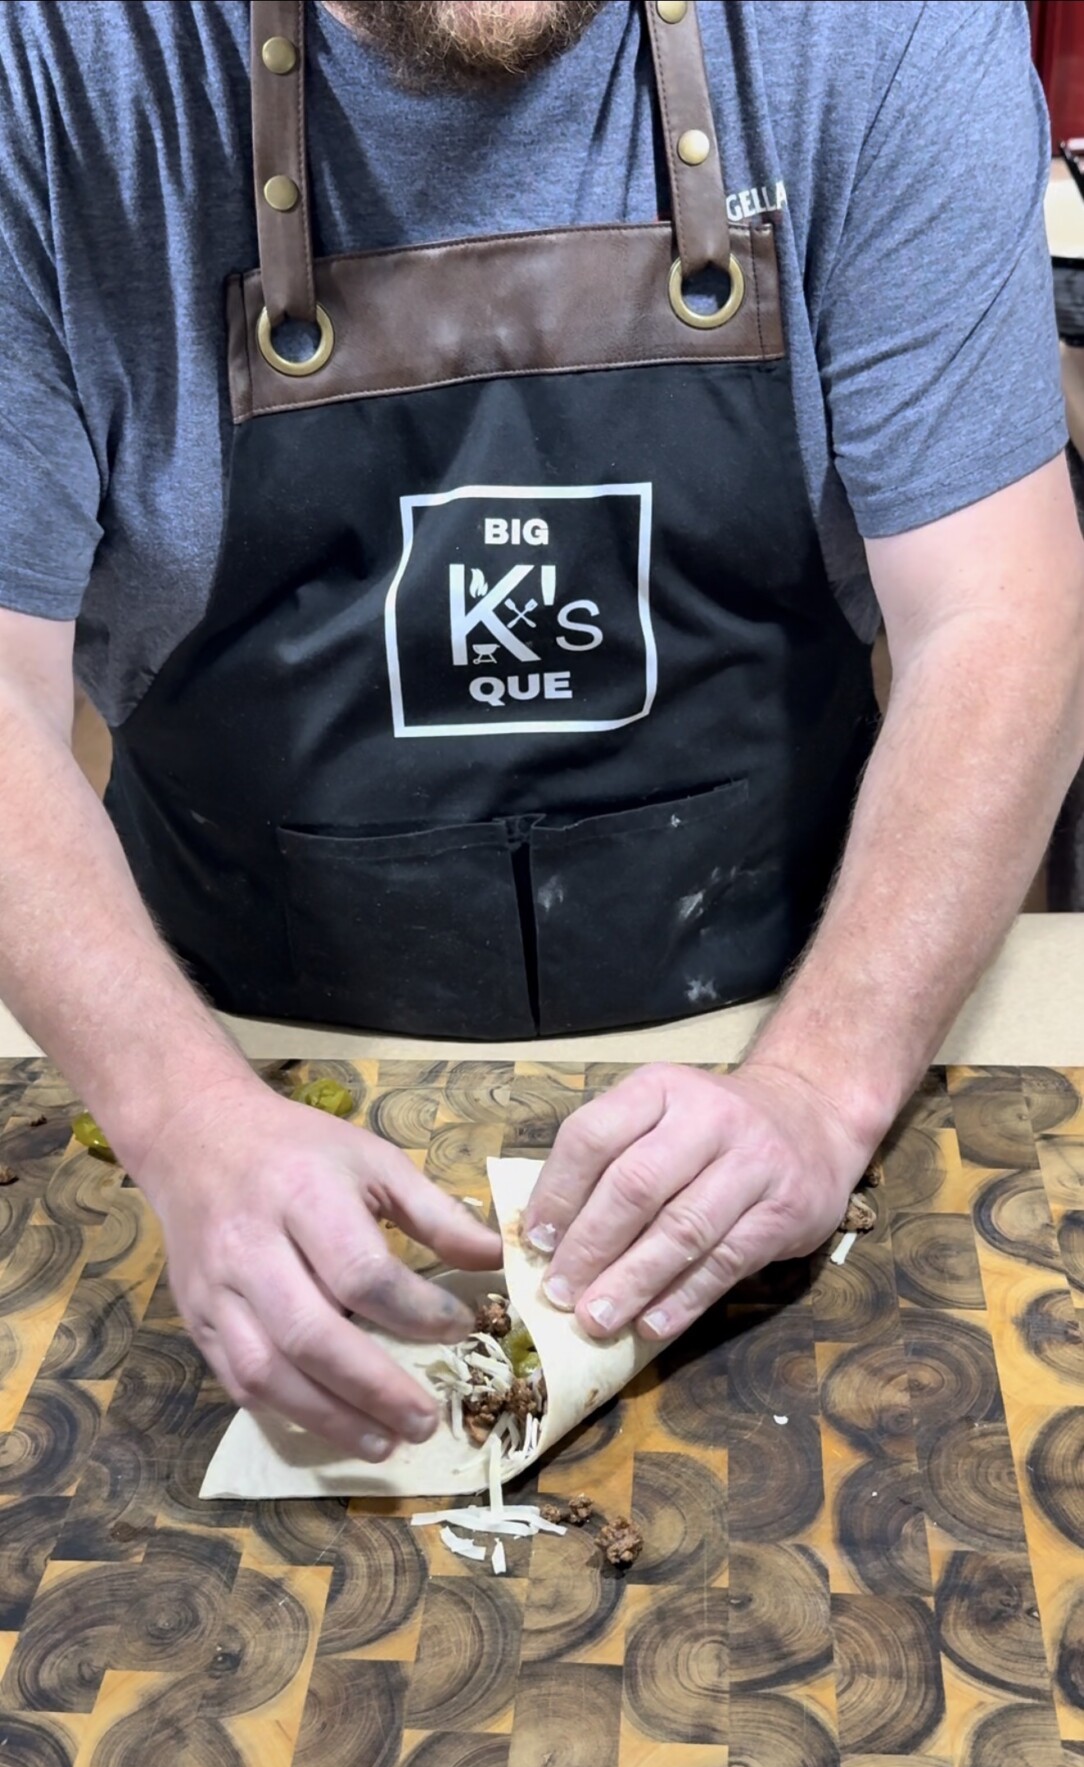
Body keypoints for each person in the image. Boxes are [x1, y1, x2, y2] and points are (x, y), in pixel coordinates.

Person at [0, 0, 1081, 1463]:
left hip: (789, 1011)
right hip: (237, 1049)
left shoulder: (876, 27)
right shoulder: (61, 63)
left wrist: (823, 1088)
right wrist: (180, 1114)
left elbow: (1007, 619)